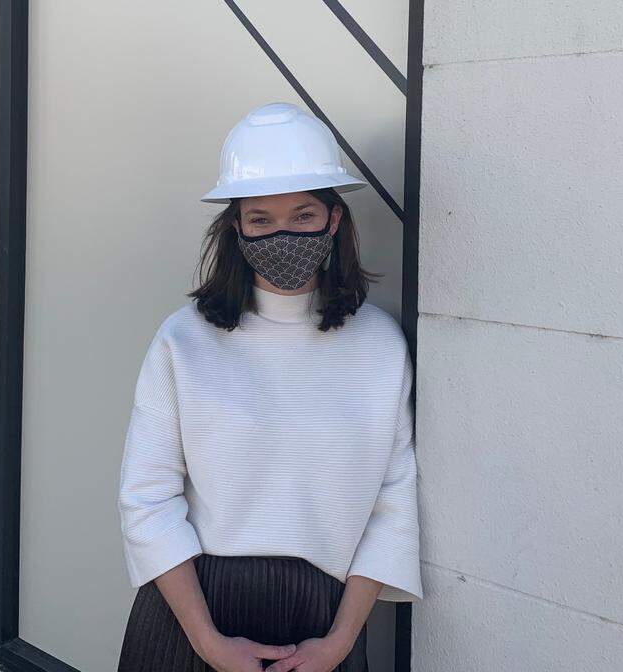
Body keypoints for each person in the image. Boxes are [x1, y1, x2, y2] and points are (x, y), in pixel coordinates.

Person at [116, 101, 423, 672]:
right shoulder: (184, 340)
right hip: (191, 613)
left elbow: (394, 504)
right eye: (262, 220)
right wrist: (208, 643)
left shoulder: (380, 346)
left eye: (304, 216)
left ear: (335, 220)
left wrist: (339, 643)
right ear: (236, 227)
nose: (283, 233)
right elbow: (147, 498)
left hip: (321, 625)